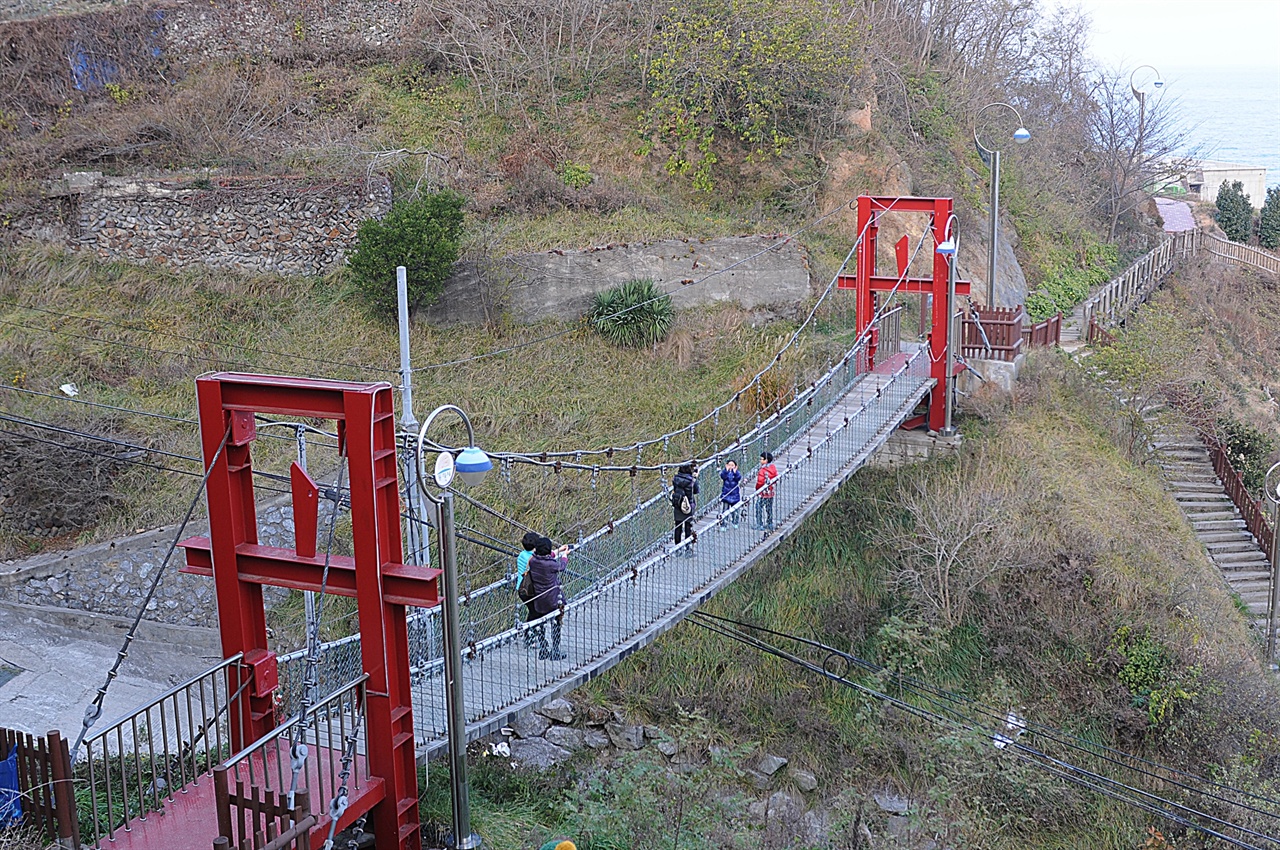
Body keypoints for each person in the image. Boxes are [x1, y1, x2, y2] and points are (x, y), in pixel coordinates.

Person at [528, 536, 569, 660]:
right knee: (556, 623)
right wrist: (564, 556)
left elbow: (543, 556)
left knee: (541, 623)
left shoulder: (532, 561)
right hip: (553, 598)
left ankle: (543, 650)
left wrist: (559, 550)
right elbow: (561, 567)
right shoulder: (551, 564)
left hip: (539, 598)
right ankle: (555, 651)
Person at [515, 530, 540, 647]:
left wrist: (560, 550)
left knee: (533, 611)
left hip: (521, 589)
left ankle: (530, 636)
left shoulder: (522, 555)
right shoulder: (534, 559)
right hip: (530, 590)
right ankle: (529, 637)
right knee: (536, 612)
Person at [671, 463, 699, 555]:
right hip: (688, 506)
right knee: (688, 527)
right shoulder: (691, 480)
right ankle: (687, 548)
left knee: (678, 527)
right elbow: (696, 491)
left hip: (678, 505)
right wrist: (695, 478)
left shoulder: (675, 479)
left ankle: (677, 549)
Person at [755, 451, 777, 531]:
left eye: (761, 459)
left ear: (766, 460)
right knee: (769, 508)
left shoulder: (762, 470)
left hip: (763, 493)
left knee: (758, 507)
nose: (760, 461)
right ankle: (770, 523)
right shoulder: (773, 467)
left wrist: (757, 489)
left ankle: (759, 524)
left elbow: (760, 482)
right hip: (770, 492)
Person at [718, 459, 742, 529]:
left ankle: (735, 522)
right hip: (726, 495)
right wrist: (726, 470)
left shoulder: (737, 473)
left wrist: (735, 472)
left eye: (732, 465)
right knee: (725, 511)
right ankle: (724, 525)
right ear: (726, 465)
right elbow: (723, 476)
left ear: (735, 466)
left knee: (735, 511)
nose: (731, 467)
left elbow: (738, 478)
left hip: (735, 495)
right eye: (729, 465)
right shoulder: (725, 473)